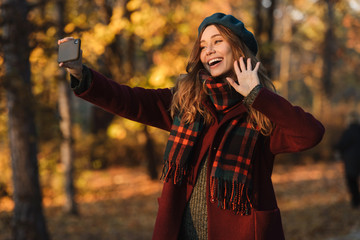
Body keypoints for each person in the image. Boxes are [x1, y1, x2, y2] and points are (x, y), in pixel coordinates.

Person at [59, 12, 324, 240]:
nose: (208, 49)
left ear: (239, 49)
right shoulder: (186, 103)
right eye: (203, 45)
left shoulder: (262, 113)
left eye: (218, 42)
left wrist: (257, 95)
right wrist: (81, 74)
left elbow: (310, 134)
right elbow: (128, 100)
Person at [335, 111, 360, 209]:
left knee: (351, 181)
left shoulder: (347, 132)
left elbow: (341, 145)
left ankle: (356, 201)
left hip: (351, 161)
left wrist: (337, 151)